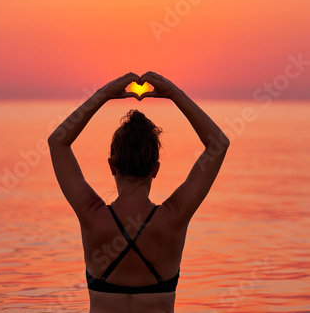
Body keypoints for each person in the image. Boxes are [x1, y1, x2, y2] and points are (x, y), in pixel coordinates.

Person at [48, 72, 230, 313]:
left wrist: (104, 94)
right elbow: (218, 144)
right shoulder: (173, 218)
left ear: (112, 166)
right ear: (155, 169)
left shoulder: (92, 216)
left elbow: (57, 142)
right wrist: (174, 94)